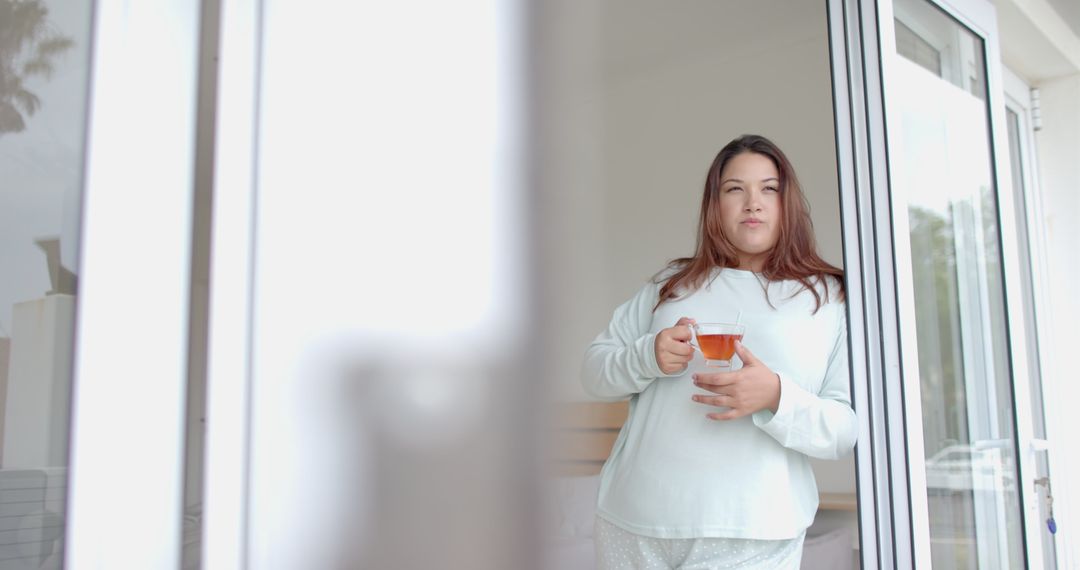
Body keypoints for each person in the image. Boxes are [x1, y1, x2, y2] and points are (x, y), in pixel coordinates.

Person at [581, 134, 857, 569]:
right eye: (734, 189)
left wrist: (775, 396)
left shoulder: (829, 298)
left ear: (788, 203)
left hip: (753, 531)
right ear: (715, 204)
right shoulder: (671, 285)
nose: (753, 203)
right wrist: (647, 356)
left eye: (769, 188)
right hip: (633, 522)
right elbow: (594, 373)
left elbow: (843, 430)